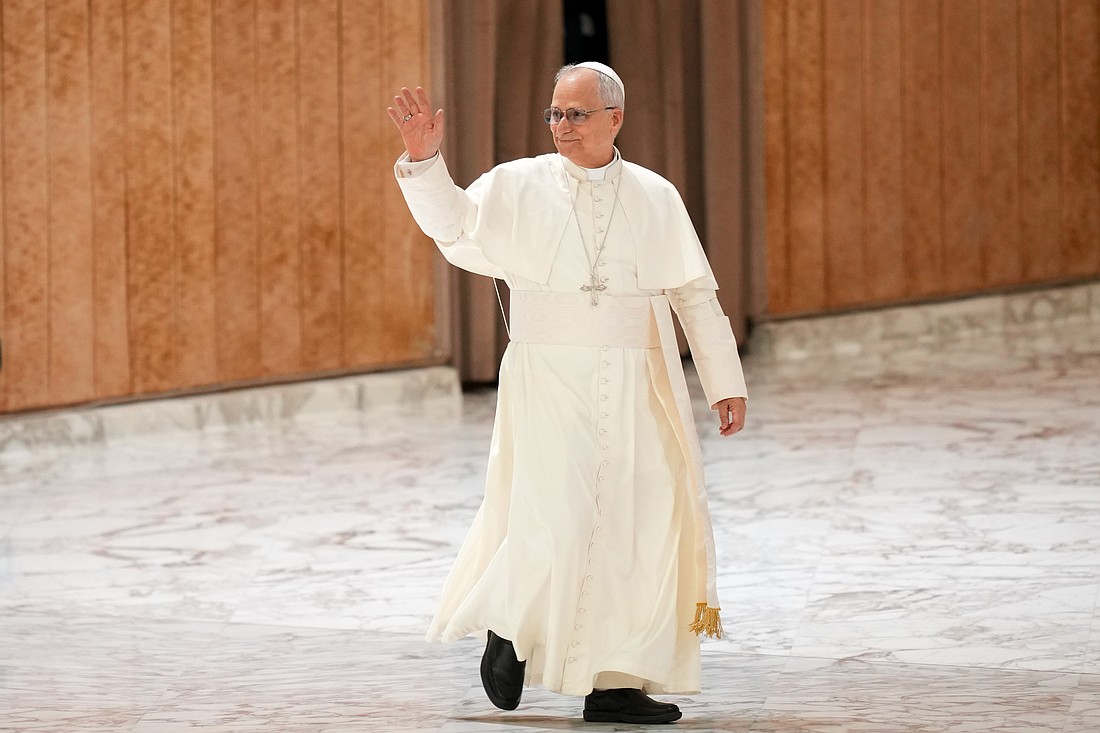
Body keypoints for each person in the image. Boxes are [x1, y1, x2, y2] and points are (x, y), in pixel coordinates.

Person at [387, 62, 747, 725]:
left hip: (640, 386)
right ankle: (509, 626)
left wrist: (725, 382)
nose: (562, 127)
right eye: (555, 114)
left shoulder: (655, 195)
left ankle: (613, 683)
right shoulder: (519, 185)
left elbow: (693, 294)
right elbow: (455, 227)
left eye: (576, 114)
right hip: (549, 379)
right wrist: (424, 161)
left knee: (635, 525)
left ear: (615, 117)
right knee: (554, 514)